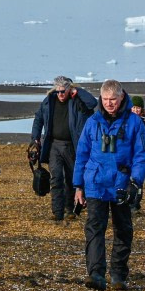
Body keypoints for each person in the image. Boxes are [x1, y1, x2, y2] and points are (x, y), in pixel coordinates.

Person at [73, 80, 145, 290]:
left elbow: (142, 155)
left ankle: (118, 275)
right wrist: (78, 186)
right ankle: (96, 274)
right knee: (94, 228)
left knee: (123, 229)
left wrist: (136, 182)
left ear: (121, 98)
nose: (109, 104)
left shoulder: (134, 123)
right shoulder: (92, 122)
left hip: (122, 184)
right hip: (96, 183)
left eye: (113, 100)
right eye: (105, 100)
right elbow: (81, 154)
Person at [31, 75, 97, 223]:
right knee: (56, 179)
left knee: (72, 179)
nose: (60, 94)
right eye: (58, 91)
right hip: (54, 145)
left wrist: (77, 92)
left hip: (73, 145)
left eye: (63, 91)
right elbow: (38, 118)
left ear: (69, 89)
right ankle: (57, 212)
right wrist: (35, 138)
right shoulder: (49, 101)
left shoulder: (77, 101)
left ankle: (70, 210)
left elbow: (92, 103)